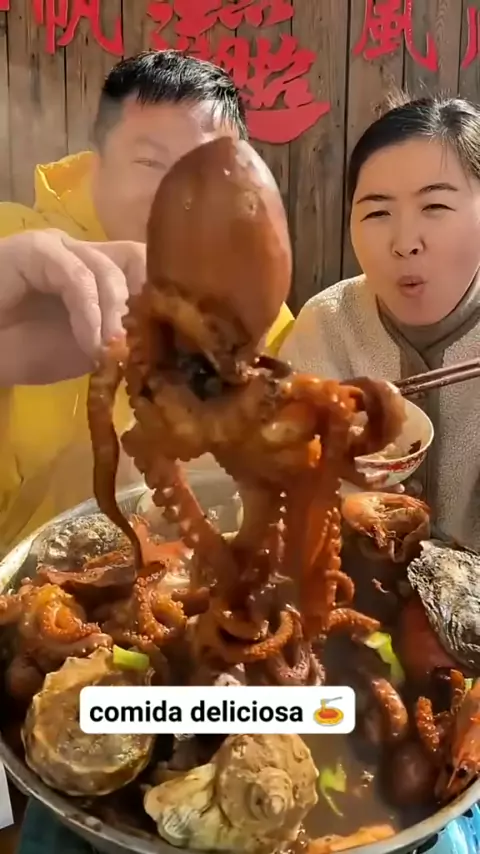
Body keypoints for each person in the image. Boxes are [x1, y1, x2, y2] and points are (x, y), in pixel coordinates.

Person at [0, 50, 294, 552]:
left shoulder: (262, 319)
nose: (177, 194)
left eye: (208, 171)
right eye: (150, 162)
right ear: (97, 165)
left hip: (180, 575)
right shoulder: (14, 248)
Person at [279, 93, 480, 550]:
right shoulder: (327, 323)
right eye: (377, 212)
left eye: (435, 207)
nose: (404, 242)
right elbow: (278, 479)